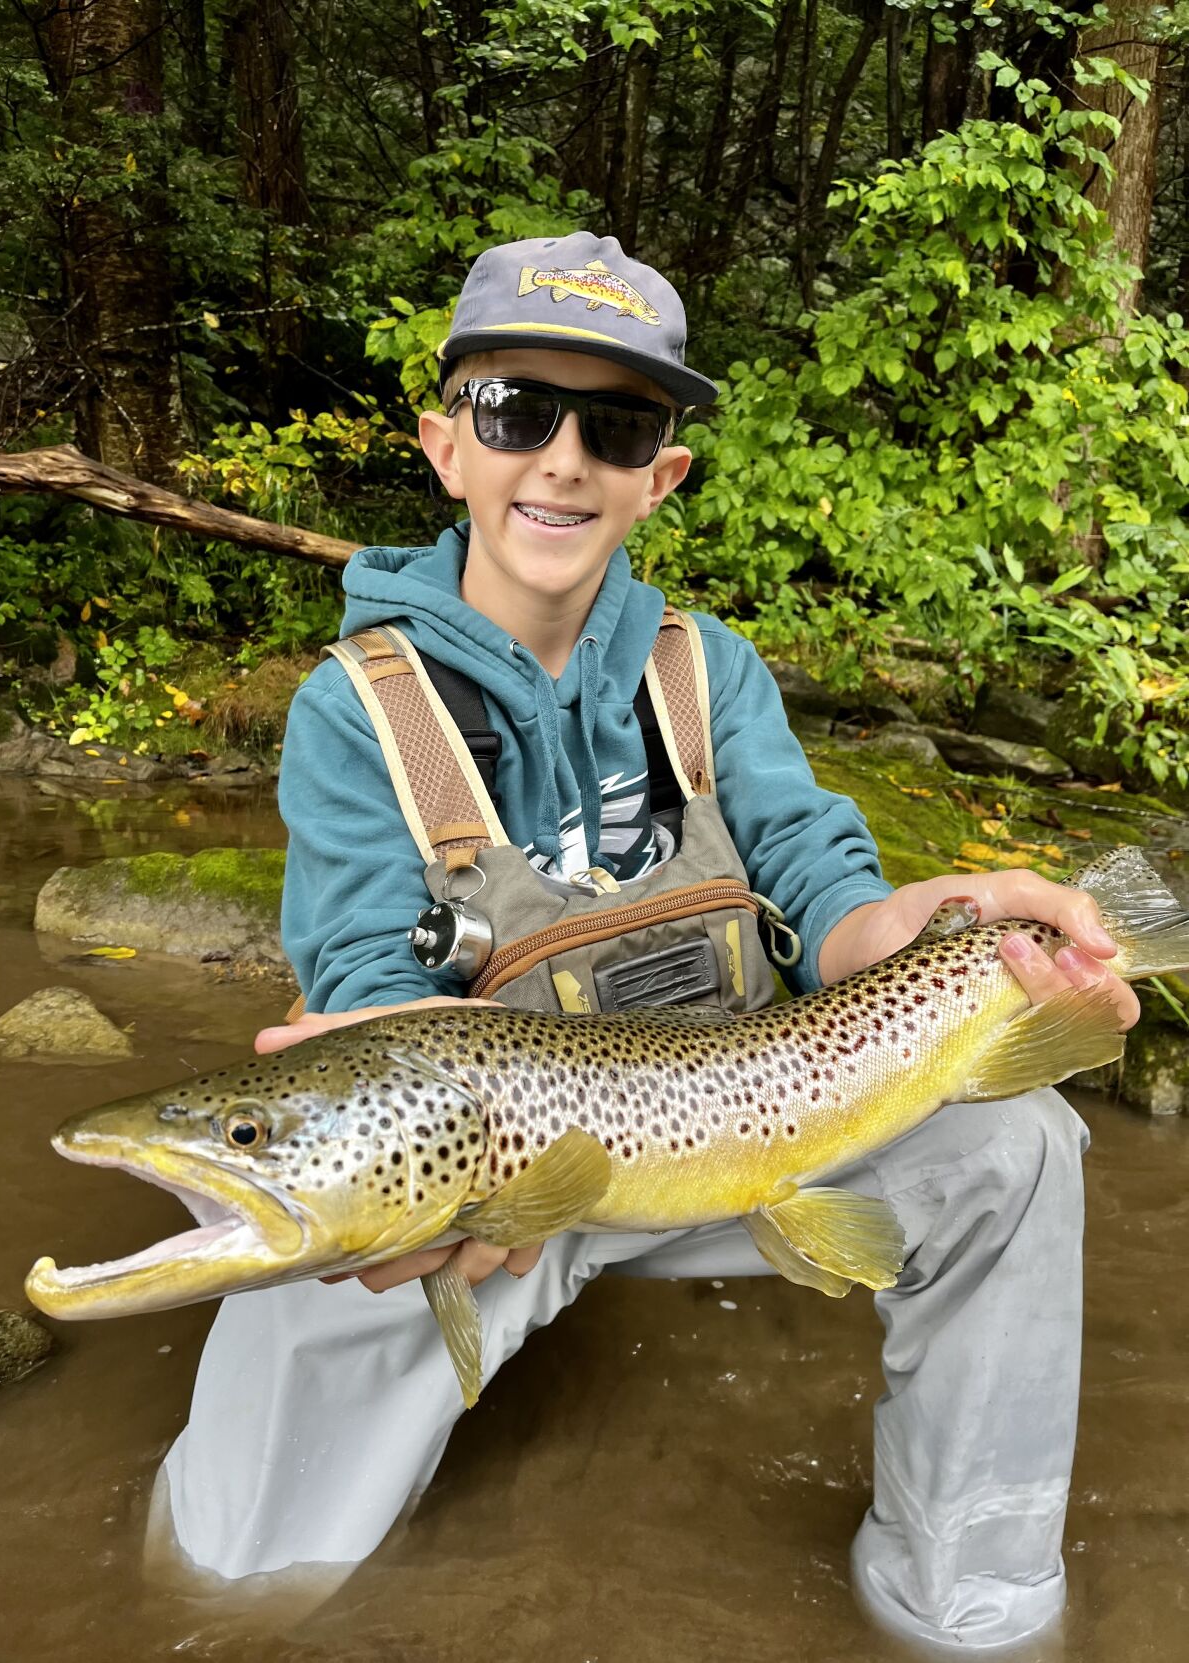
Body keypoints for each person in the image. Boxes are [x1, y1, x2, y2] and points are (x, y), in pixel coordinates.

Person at [152, 232, 1138, 1653]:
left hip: (756, 1127)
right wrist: (402, 1169)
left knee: (1020, 1141)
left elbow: (825, 892)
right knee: (230, 1569)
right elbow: (367, 984)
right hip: (485, 1192)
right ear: (448, 446)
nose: (561, 459)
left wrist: (920, 929)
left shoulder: (709, 671)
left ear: (659, 474)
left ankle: (971, 1603)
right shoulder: (350, 708)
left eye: (612, 426)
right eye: (517, 413)